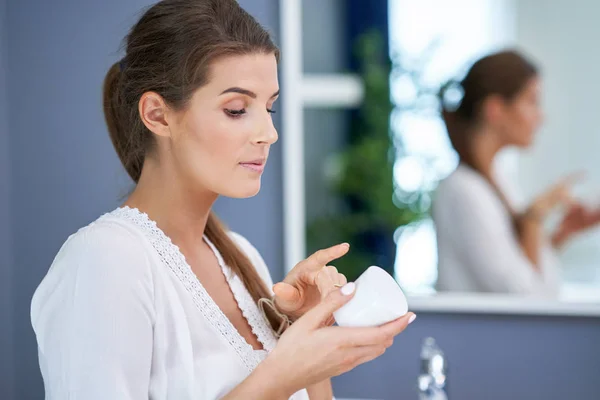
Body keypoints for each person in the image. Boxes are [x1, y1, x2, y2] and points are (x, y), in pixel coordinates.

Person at [30, 1, 416, 399]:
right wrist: (280, 376)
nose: (269, 133)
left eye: (270, 107)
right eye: (236, 109)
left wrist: (307, 333)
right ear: (158, 115)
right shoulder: (105, 260)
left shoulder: (241, 258)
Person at [433, 50, 600, 296]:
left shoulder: (498, 181)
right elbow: (528, 297)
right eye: (532, 101)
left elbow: (520, 270)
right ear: (495, 109)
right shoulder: (464, 191)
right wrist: (533, 219)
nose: (540, 117)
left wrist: (561, 236)